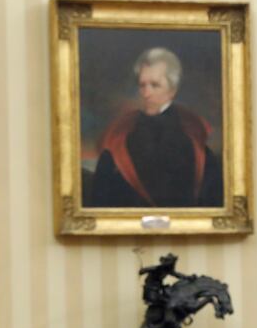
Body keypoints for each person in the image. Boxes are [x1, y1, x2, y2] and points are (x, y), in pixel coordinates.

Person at [84, 47, 223, 208]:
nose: (146, 93)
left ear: (172, 90)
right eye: (142, 85)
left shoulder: (193, 137)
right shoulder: (120, 135)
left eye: (155, 85)